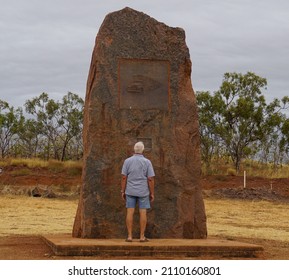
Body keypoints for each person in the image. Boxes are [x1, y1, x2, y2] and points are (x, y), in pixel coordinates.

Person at [121, 141, 155, 242]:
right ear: (143, 150)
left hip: (130, 191)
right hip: (143, 192)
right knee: (143, 212)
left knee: (130, 212)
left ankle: (130, 236)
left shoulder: (127, 161)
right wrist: (152, 192)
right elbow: (150, 179)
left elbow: (123, 177)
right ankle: (142, 236)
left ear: (134, 150)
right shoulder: (147, 162)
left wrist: (122, 191)